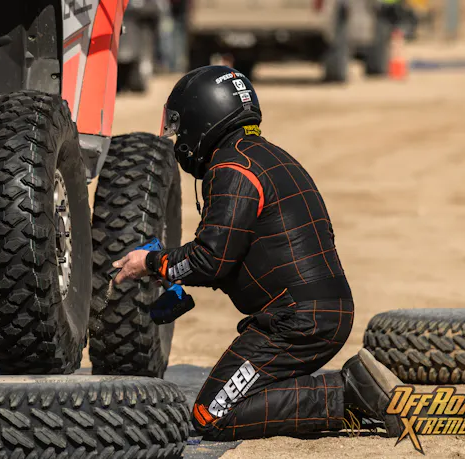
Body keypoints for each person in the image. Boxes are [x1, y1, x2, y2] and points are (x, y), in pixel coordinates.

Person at [111, 65, 405, 440]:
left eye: (179, 126)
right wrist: (171, 271)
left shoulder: (231, 168)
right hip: (323, 311)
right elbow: (240, 256)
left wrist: (152, 262)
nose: (178, 137)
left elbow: (210, 259)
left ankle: (347, 393)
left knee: (211, 415)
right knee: (250, 394)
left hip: (295, 321)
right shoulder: (273, 158)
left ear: (202, 118)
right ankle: (355, 395)